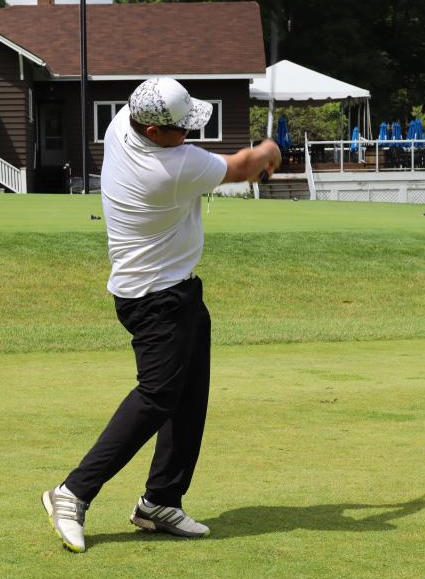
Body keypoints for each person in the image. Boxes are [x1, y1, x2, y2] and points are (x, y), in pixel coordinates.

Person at [42, 77, 281, 553]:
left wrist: (257, 158)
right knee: (155, 398)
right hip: (155, 300)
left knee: (189, 398)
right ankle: (72, 493)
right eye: (181, 129)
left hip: (176, 291)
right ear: (153, 132)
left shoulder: (119, 127)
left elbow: (234, 163)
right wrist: (268, 150)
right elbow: (244, 167)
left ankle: (160, 501)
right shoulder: (172, 169)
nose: (189, 136)